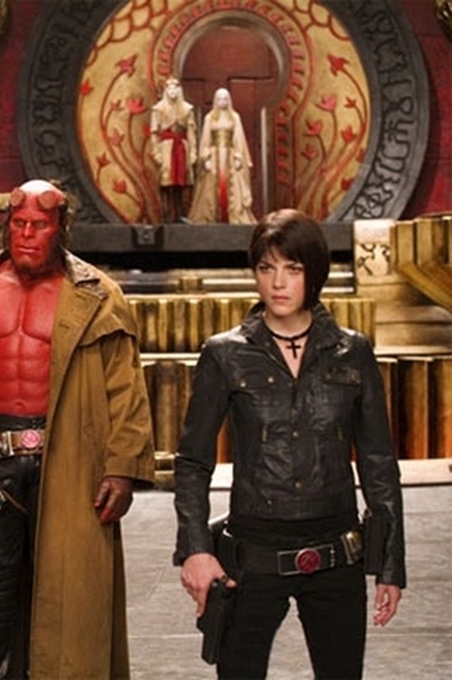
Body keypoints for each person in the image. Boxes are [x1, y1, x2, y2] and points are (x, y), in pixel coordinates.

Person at [0, 179, 156, 679]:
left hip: (71, 465)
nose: (27, 234)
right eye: (18, 224)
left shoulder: (99, 296)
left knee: (68, 600)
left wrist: (122, 468)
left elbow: (126, 389)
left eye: (39, 225)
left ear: (62, 228)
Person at [173, 208, 406, 679]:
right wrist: (196, 549)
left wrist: (390, 565)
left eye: (292, 269)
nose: (278, 283)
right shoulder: (225, 354)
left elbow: (379, 465)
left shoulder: (352, 352)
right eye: (266, 268)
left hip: (337, 553)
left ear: (313, 273)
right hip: (252, 556)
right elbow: (193, 462)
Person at [187, 87, 257, 224]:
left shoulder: (235, 117)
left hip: (230, 155)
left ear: (229, 100)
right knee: (210, 186)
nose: (222, 101)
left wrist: (238, 156)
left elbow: (239, 138)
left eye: (225, 99)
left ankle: (234, 215)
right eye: (219, 99)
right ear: (215, 100)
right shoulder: (209, 118)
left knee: (234, 185)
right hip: (214, 157)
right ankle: (210, 216)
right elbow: (205, 140)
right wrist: (206, 158)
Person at [150, 76, 197, 223]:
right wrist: (157, 153)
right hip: (167, 148)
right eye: (169, 88)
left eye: (175, 88)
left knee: (182, 182)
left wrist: (193, 152)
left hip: (182, 147)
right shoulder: (158, 109)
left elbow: (191, 132)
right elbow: (154, 133)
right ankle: (166, 215)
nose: (172, 91)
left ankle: (181, 214)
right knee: (166, 181)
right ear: (166, 90)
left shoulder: (187, 109)